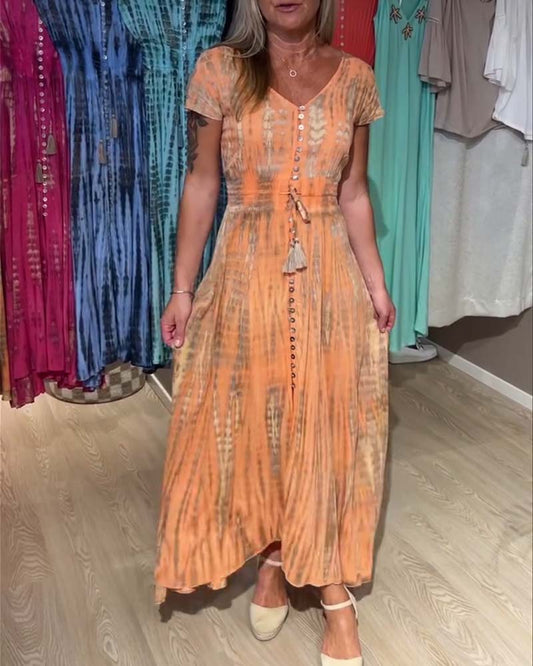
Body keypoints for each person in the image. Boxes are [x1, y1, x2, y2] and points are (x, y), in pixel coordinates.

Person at [156, 1, 395, 664]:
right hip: (245, 270)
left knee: (323, 424)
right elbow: (202, 181)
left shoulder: (355, 76)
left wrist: (375, 285)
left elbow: (352, 191)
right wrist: (182, 288)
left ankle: (332, 590)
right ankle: (274, 554)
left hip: (329, 276)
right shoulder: (219, 70)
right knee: (255, 421)